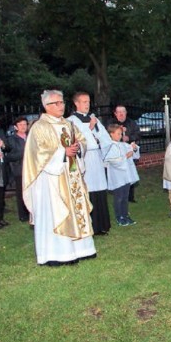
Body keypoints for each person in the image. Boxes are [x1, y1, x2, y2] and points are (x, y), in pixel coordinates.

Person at [23, 89, 96, 266]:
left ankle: (81, 249)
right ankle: (57, 254)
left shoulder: (68, 124)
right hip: (51, 180)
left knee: (76, 210)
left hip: (71, 175)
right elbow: (37, 154)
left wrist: (78, 148)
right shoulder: (39, 127)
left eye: (62, 102)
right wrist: (63, 152)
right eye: (56, 103)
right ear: (46, 106)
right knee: (57, 213)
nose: (60, 106)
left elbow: (82, 140)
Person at [68, 92, 112, 236]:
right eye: (84, 101)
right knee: (88, 191)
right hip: (85, 159)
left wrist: (98, 137)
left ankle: (102, 225)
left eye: (88, 101)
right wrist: (90, 129)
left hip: (97, 159)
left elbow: (106, 138)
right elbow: (78, 140)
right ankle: (89, 226)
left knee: (99, 191)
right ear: (76, 103)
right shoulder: (71, 121)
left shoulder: (93, 119)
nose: (87, 104)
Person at [102, 124, 140, 227]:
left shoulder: (122, 144)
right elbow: (113, 161)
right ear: (111, 134)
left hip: (126, 176)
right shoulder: (110, 146)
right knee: (118, 197)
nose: (120, 136)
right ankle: (119, 217)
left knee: (125, 197)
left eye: (121, 133)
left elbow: (134, 152)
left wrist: (134, 148)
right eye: (118, 134)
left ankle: (125, 215)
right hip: (117, 177)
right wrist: (126, 156)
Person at [106, 105, 141, 202]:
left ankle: (130, 197)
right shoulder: (111, 123)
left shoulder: (131, 123)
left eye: (123, 112)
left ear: (126, 113)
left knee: (130, 172)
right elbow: (107, 135)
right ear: (115, 114)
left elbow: (138, 134)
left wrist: (129, 138)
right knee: (119, 175)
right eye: (119, 112)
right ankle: (120, 194)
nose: (121, 114)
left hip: (128, 151)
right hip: (117, 153)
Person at [6, 116, 30, 222]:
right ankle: (23, 214)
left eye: (25, 124)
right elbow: (9, 156)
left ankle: (31, 212)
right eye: (20, 125)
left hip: (31, 169)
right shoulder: (11, 140)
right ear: (16, 127)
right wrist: (24, 153)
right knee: (21, 193)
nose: (23, 126)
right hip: (19, 169)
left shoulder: (31, 137)